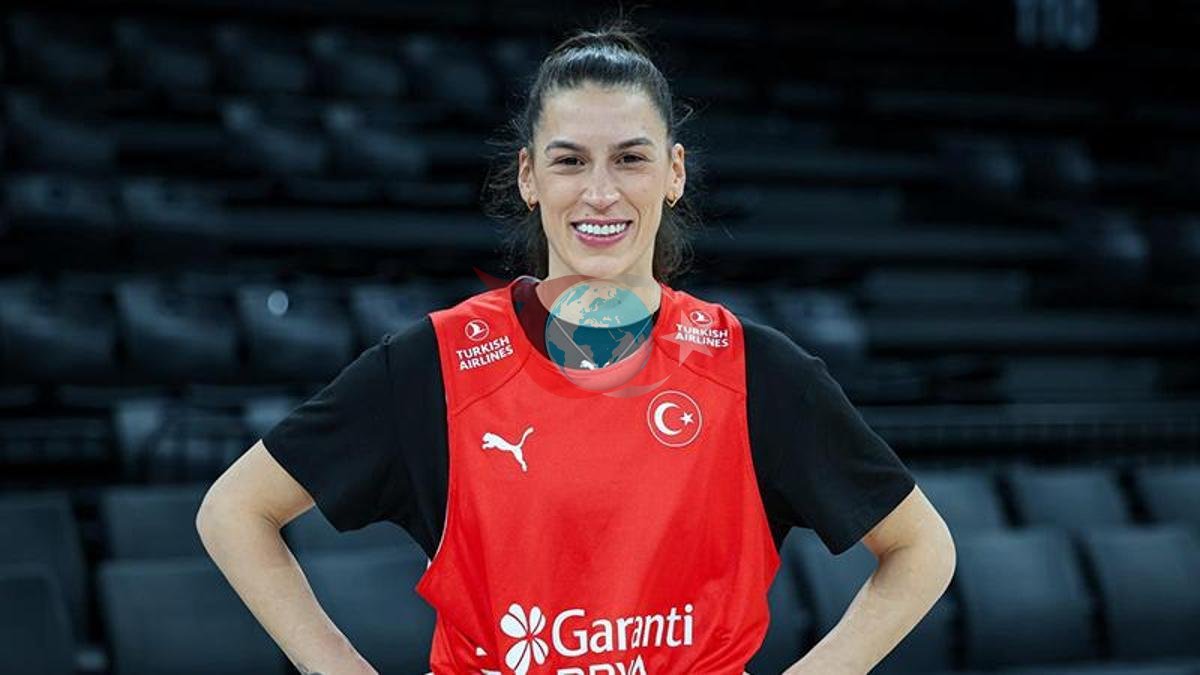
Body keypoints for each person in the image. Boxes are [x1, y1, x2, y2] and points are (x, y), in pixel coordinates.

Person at [196, 16, 956, 675]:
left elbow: (921, 547)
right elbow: (235, 510)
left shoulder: (754, 370)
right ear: (529, 176)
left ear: (674, 173)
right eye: (569, 160)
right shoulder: (438, 363)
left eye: (630, 157)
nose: (600, 192)